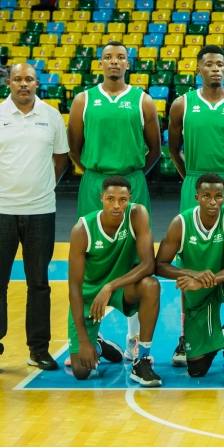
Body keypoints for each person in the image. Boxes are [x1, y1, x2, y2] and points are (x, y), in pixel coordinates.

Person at [0, 63, 70, 375]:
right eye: (18, 79)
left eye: (29, 79)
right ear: (9, 82)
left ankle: (38, 350)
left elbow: (60, 159)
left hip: (41, 212)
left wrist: (43, 187)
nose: (23, 84)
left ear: (37, 83)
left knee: (39, 284)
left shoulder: (52, 116)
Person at [67, 40, 161, 361]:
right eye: (108, 57)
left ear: (128, 63)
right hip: (94, 181)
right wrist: (99, 173)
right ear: (100, 63)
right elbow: (74, 148)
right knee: (93, 259)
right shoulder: (83, 100)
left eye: (120, 57)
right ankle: (95, 335)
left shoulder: (143, 101)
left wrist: (128, 176)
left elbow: (155, 150)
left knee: (136, 258)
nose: (114, 62)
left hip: (132, 181)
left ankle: (134, 337)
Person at [168, 44, 224, 367]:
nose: (216, 69)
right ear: (198, 69)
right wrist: (192, 178)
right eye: (209, 64)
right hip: (194, 181)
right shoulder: (182, 104)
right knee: (189, 264)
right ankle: (186, 337)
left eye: (220, 64)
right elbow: (173, 147)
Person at [155, 173, 224, 390]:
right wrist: (190, 274)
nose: (213, 201)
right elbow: (159, 264)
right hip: (198, 298)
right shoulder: (181, 223)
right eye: (207, 196)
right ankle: (223, 334)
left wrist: (206, 281)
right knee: (196, 369)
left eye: (218, 196)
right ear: (196, 196)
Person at [67, 176, 162, 387]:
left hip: (120, 289)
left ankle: (142, 359)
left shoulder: (137, 215)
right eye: (110, 199)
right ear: (101, 198)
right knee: (81, 372)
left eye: (122, 199)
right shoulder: (82, 230)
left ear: (130, 199)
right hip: (89, 296)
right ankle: (98, 344)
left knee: (151, 285)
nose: (117, 205)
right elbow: (74, 287)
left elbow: (148, 265)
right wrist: (84, 341)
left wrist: (110, 287)